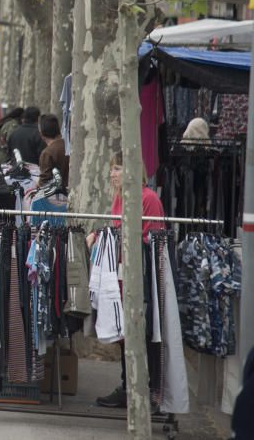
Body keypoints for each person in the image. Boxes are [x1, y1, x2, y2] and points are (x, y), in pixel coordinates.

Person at [96, 152, 166, 409]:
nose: (112, 173)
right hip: (121, 274)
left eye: (117, 168)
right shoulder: (120, 198)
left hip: (140, 276)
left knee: (141, 333)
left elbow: (154, 239)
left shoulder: (147, 198)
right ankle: (128, 386)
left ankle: (142, 390)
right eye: (112, 168)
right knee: (126, 334)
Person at [37, 113, 69, 187]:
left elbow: (44, 181)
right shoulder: (68, 145)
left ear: (41, 133)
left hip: (57, 195)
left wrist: (37, 184)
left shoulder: (47, 153)